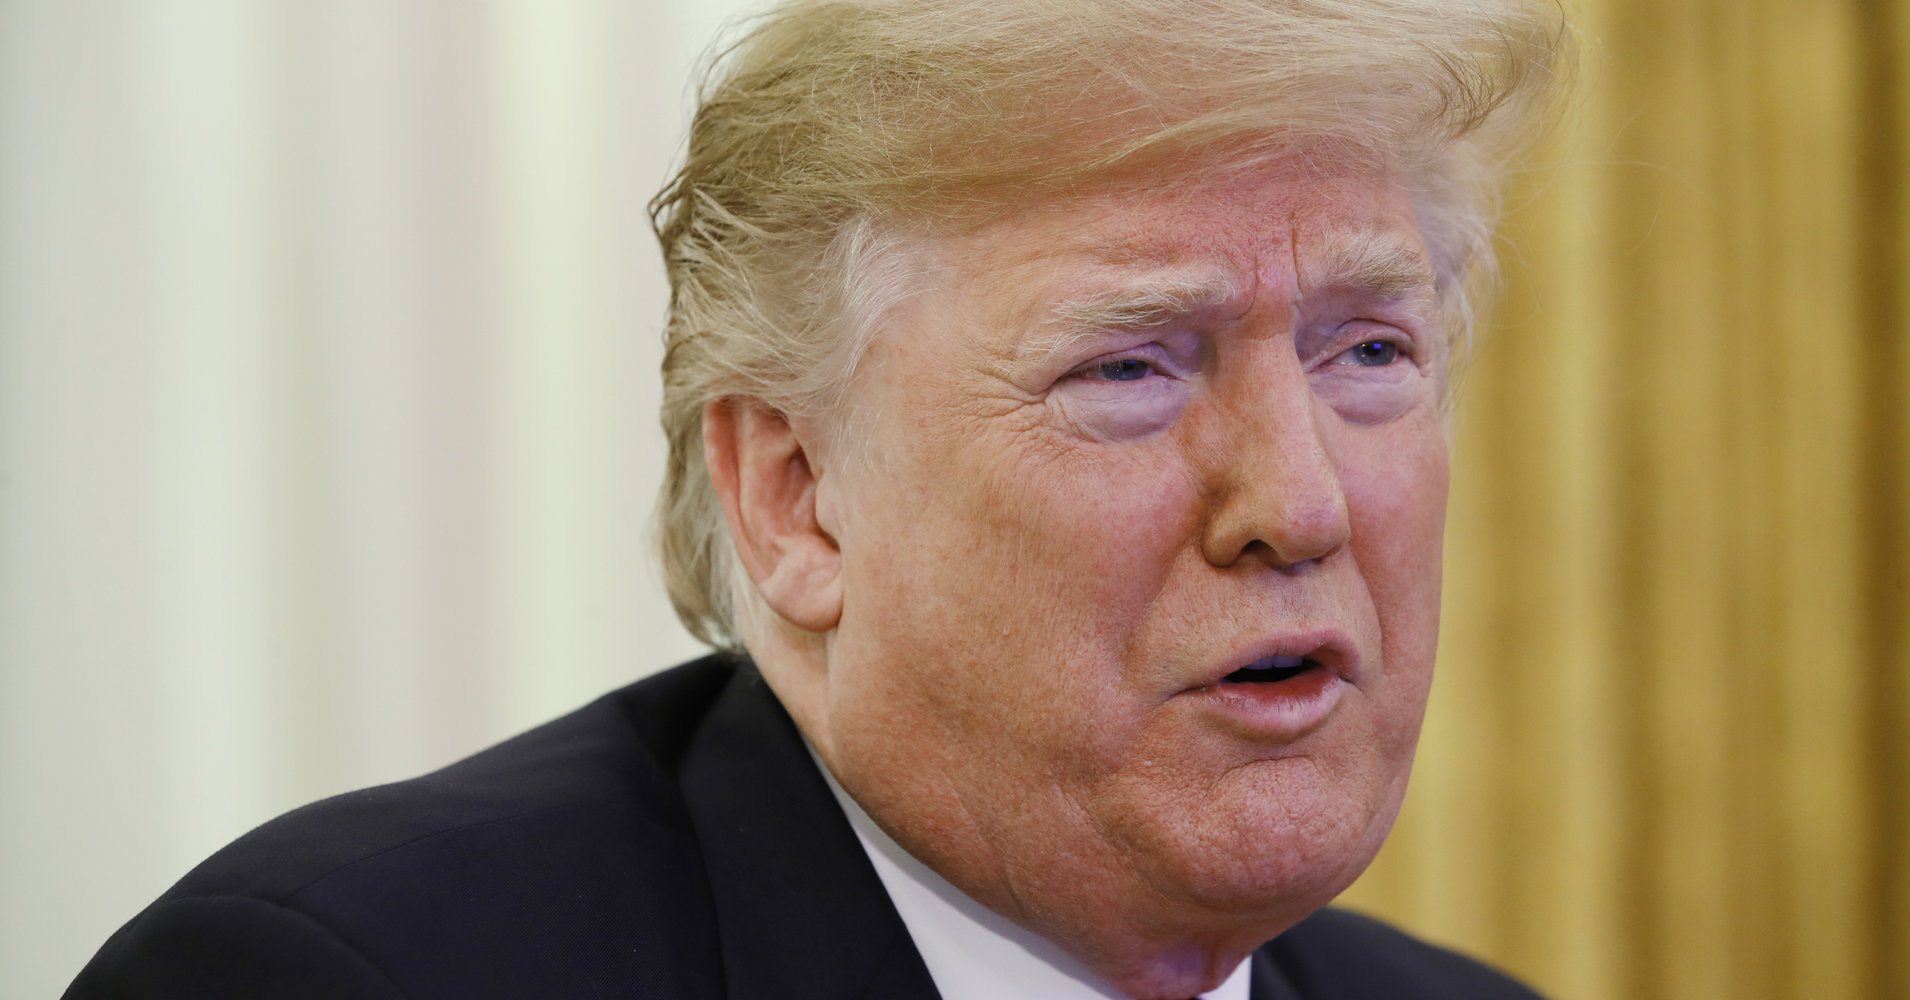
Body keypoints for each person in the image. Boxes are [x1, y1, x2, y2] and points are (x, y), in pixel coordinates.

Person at [67, 0, 1571, 997]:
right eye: (1129, 370)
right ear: (795, 498)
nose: (1297, 503)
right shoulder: (349, 979)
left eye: (1366, 348)